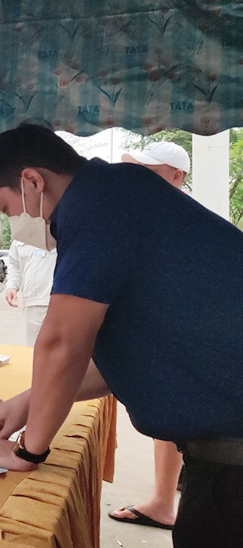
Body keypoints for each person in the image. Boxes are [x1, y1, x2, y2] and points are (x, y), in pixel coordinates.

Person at [0, 124, 243, 548]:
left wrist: (26, 452)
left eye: (4, 208)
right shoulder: (117, 192)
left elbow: (62, 343)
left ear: (33, 181)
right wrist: (29, 403)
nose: (12, 222)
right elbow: (119, 357)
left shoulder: (96, 206)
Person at [106, 141, 191, 530]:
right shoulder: (157, 214)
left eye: (149, 172)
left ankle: (165, 500)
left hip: (184, 342)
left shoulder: (188, 219)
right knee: (169, 418)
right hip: (165, 339)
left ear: (177, 176)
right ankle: (162, 500)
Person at [4, 240, 57, 346]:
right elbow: (14, 266)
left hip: (56, 302)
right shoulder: (19, 238)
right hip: (31, 305)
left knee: (55, 347)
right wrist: (12, 286)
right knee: (32, 349)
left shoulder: (57, 231)